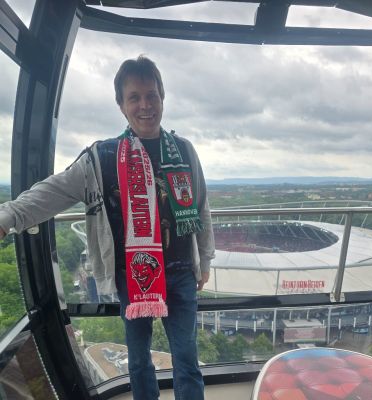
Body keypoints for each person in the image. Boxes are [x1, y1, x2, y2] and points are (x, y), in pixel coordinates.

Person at [0, 55, 215, 400]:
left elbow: (201, 207)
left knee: (187, 359)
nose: (145, 105)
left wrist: (204, 260)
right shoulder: (102, 158)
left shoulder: (184, 151)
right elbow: (53, 191)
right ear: (121, 105)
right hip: (133, 275)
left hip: (180, 272)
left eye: (152, 95)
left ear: (162, 98)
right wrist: (7, 217)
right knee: (139, 360)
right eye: (134, 97)